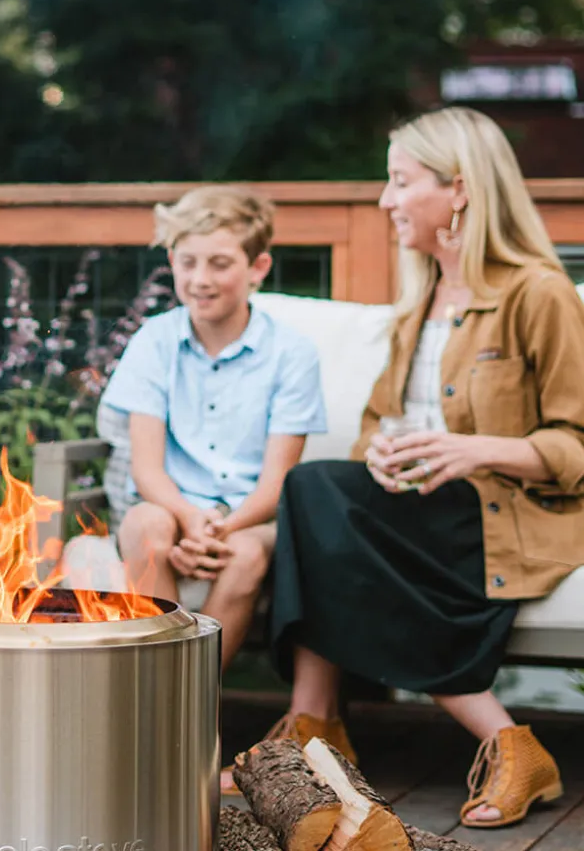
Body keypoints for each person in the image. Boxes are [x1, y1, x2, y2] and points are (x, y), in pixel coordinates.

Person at [226, 107, 584, 826]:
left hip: (501, 517)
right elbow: (374, 432)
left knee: (310, 491)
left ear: (458, 190)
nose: (385, 200)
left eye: (400, 182)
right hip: (421, 511)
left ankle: (324, 726)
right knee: (318, 489)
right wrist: (384, 454)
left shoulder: (536, 293)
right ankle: (321, 724)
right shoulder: (418, 302)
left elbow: (576, 447)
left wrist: (475, 449)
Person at [99, 187, 327, 669]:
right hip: (171, 506)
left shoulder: (292, 354)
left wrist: (220, 529)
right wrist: (186, 519)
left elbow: (275, 484)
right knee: (144, 525)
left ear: (258, 268)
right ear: (172, 261)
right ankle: (157, 680)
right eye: (188, 263)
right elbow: (147, 469)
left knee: (245, 553)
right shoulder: (153, 342)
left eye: (220, 264)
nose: (201, 280)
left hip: (251, 518)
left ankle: (195, 692)